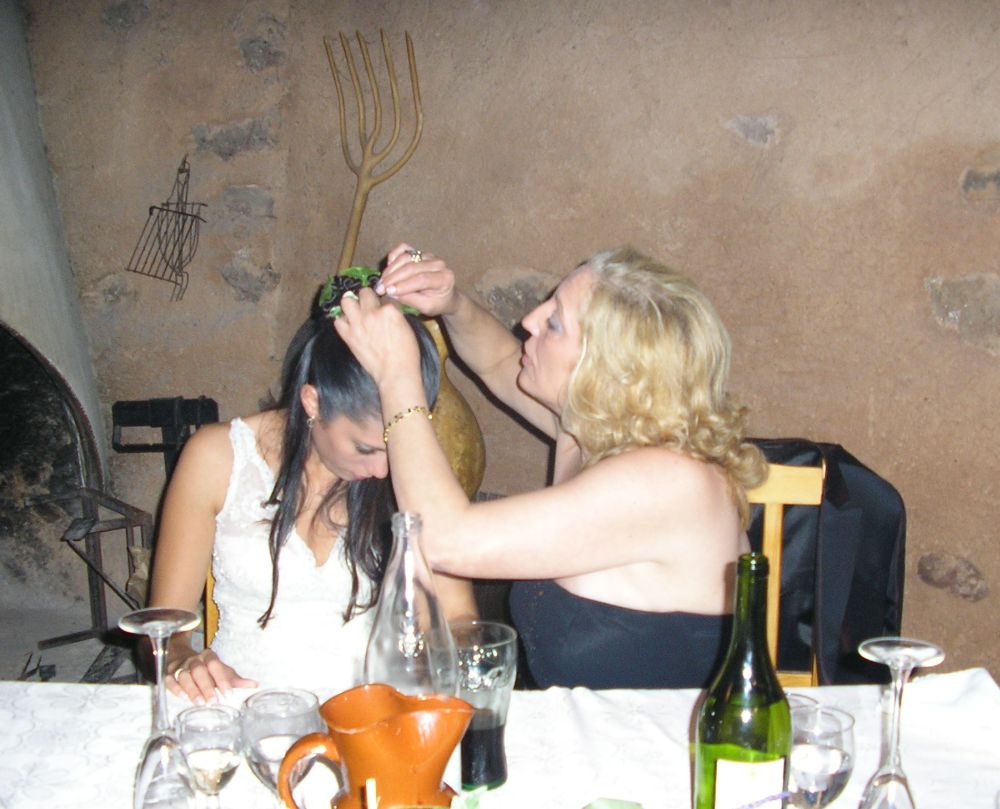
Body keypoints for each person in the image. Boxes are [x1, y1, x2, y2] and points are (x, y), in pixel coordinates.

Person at [335, 243, 767, 689]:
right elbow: (498, 362)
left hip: (667, 734)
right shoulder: (590, 434)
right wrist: (452, 304)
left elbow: (441, 539)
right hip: (580, 722)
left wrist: (396, 375)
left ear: (607, 368)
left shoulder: (668, 482)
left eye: (554, 322)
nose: (529, 321)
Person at [148, 287, 476, 703]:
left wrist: (441, 661)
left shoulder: (417, 472)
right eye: (365, 448)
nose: (384, 470)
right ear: (313, 402)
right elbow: (166, 627)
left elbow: (459, 616)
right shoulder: (217, 457)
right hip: (242, 703)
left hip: (371, 711)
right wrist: (182, 659)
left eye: (394, 448)